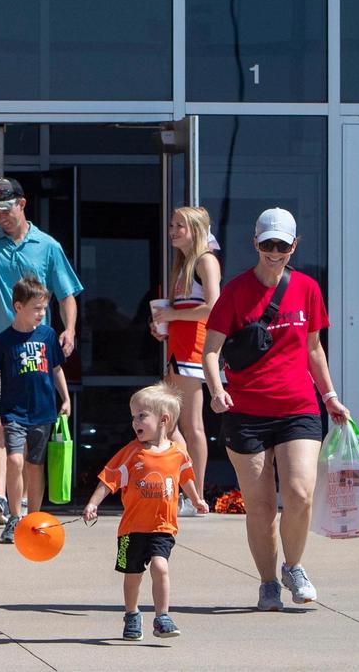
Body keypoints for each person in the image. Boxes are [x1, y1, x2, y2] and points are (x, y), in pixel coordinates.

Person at [201, 207, 349, 611]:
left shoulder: (306, 288)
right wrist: (216, 390)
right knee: (262, 505)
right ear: (255, 243)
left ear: (294, 246)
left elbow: (314, 348)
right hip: (245, 410)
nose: (274, 251)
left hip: (298, 406)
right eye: (267, 244)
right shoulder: (235, 291)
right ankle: (268, 582)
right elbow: (211, 351)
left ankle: (294, 566)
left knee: (300, 494)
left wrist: (330, 395)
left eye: (282, 245)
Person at [0, 177, 83, 526]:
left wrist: (69, 329)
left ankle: (23, 502)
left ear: (22, 204)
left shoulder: (47, 245)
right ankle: (1, 499)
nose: (1, 219)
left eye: (6, 211)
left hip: (36, 353)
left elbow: (67, 292)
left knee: (31, 433)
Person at [82, 381, 209, 641]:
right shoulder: (131, 453)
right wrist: (93, 503)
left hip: (163, 526)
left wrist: (196, 499)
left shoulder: (178, 454)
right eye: (133, 417)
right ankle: (132, 614)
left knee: (160, 566)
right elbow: (108, 479)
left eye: (141, 416)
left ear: (163, 420)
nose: (135, 422)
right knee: (133, 575)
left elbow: (185, 477)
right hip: (132, 527)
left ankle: (162, 616)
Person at [0, 276, 71, 544]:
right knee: (15, 461)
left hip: (44, 412)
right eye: (36, 308)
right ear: (18, 307)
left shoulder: (48, 335)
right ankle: (14, 518)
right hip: (14, 413)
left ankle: (35, 519)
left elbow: (56, 368)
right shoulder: (4, 340)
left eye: (44, 308)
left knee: (35, 466)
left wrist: (65, 398)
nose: (41, 314)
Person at [149, 206, 221, 516]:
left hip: (195, 351)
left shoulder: (206, 260)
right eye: (172, 224)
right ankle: (186, 490)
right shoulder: (181, 264)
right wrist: (163, 325)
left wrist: (173, 315)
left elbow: (214, 308)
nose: (174, 230)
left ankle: (195, 497)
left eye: (181, 225)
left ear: (196, 230)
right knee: (169, 421)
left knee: (191, 425)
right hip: (177, 349)